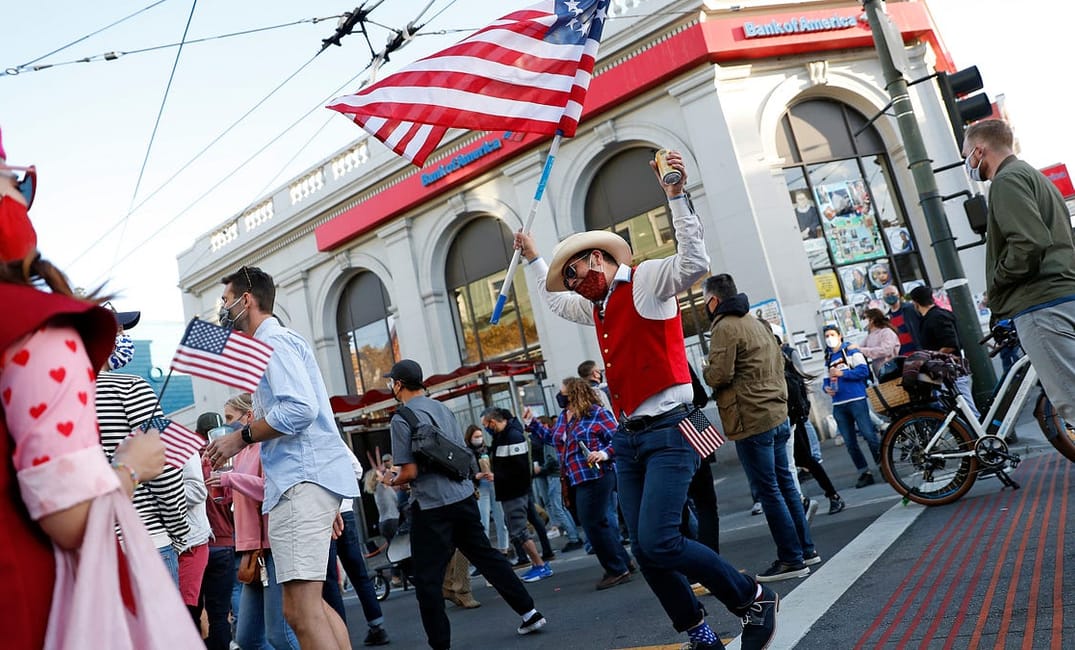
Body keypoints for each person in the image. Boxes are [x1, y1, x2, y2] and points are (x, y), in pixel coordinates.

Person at [515, 150, 776, 650]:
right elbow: (553, 301)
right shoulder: (597, 305)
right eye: (568, 278)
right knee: (647, 548)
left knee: (659, 541)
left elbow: (695, 263)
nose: (572, 284)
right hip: (629, 438)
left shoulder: (645, 281)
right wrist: (534, 257)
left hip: (672, 428)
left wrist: (676, 197)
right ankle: (700, 633)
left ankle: (751, 597)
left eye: (574, 272)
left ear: (598, 257)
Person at [0, 128, 194, 647]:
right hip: (36, 605)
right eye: (16, 182)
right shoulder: (39, 342)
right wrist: (135, 469)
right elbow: (70, 519)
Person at [205, 265, 358, 650]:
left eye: (225, 302)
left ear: (246, 300)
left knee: (301, 612)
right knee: (307, 607)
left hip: (300, 481)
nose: (222, 311)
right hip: (303, 481)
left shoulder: (272, 343)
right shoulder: (275, 344)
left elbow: (299, 410)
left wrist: (240, 437)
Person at [381, 359, 547, 650]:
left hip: (432, 507)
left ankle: (440, 644)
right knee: (487, 557)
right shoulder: (442, 409)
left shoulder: (401, 418)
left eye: (391, 382)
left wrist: (389, 479)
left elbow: (409, 472)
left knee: (427, 580)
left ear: (398, 384)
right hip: (462, 495)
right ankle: (529, 612)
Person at [702, 274, 818, 582]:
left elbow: (719, 375)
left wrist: (705, 368)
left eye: (704, 302)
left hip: (751, 419)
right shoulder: (756, 322)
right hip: (776, 414)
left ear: (714, 301)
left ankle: (791, 559)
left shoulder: (725, 327)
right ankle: (806, 549)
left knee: (769, 491)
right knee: (786, 484)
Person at [963, 119, 1075, 424]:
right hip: (1063, 294)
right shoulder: (1035, 177)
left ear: (979, 150)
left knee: (1071, 400)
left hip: (1040, 304)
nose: (967, 163)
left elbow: (1029, 242)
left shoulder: (1006, 181)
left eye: (966, 154)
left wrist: (997, 281)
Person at [95, 309, 190, 585]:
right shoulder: (131, 388)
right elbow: (164, 467)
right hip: (145, 539)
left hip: (93, 549)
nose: (124, 340)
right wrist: (179, 531)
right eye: (120, 333)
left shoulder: (61, 398)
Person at [209, 392, 299, 649]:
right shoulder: (238, 454)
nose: (226, 426)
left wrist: (229, 480)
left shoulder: (264, 447)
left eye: (229, 418)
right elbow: (234, 497)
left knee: (280, 634)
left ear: (248, 416)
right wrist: (221, 485)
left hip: (272, 544)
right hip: (251, 549)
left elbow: (269, 489)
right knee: (248, 638)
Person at [526, 378, 633, 590]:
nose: (559, 396)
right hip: (575, 477)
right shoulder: (565, 417)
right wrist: (533, 424)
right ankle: (622, 562)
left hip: (597, 475)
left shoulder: (595, 412)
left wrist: (603, 453)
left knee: (592, 523)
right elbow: (554, 439)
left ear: (573, 393)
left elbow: (618, 438)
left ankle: (616, 569)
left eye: (562, 392)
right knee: (598, 522)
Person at [480, 407, 553, 581]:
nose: (486, 429)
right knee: (518, 528)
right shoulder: (503, 435)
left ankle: (539, 565)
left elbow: (518, 467)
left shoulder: (512, 436)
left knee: (518, 530)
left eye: (486, 425)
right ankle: (538, 564)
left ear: (493, 421)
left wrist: (497, 476)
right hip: (512, 489)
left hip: (514, 490)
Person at [334, 446, 390, 645]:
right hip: (346, 510)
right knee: (358, 571)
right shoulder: (337, 442)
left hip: (324, 513)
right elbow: (357, 470)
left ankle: (339, 637)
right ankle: (377, 626)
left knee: (329, 578)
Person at [780, 346, 846, 515]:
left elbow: (795, 386)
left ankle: (820, 498)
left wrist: (800, 414)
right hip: (789, 418)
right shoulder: (778, 358)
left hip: (790, 419)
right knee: (795, 464)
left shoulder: (780, 358)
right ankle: (810, 500)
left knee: (798, 463)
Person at [195, 412, 238, 650]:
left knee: (193, 612)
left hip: (198, 545)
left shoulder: (189, 458)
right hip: (224, 543)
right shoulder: (227, 460)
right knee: (219, 615)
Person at [821, 325, 882, 488]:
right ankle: (864, 472)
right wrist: (826, 388)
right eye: (826, 336)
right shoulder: (827, 357)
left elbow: (863, 371)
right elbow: (825, 380)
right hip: (839, 404)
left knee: (869, 434)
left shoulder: (850, 351)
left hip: (856, 398)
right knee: (850, 442)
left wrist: (843, 374)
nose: (829, 338)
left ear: (839, 335)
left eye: (832, 334)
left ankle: (883, 465)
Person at [908, 286, 980, 420]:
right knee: (962, 413)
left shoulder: (936, 317)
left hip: (952, 372)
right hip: (947, 372)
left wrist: (931, 359)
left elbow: (950, 344)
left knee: (969, 412)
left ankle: (984, 437)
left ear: (916, 303)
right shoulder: (935, 316)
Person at [178, 442, 212, 624]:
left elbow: (199, 491)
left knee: (185, 616)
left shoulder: (180, 443)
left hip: (191, 543)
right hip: (162, 544)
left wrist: (162, 490)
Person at [858, 308, 901, 377]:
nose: (862, 321)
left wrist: (861, 350)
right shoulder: (869, 336)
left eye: (864, 318)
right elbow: (859, 347)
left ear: (872, 320)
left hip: (891, 370)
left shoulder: (886, 332)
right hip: (880, 373)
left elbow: (885, 350)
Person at [881, 285, 921, 355]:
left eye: (892, 293)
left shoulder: (911, 309)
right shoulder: (887, 318)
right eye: (887, 295)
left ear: (898, 295)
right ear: (884, 298)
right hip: (902, 356)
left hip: (918, 352)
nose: (890, 296)